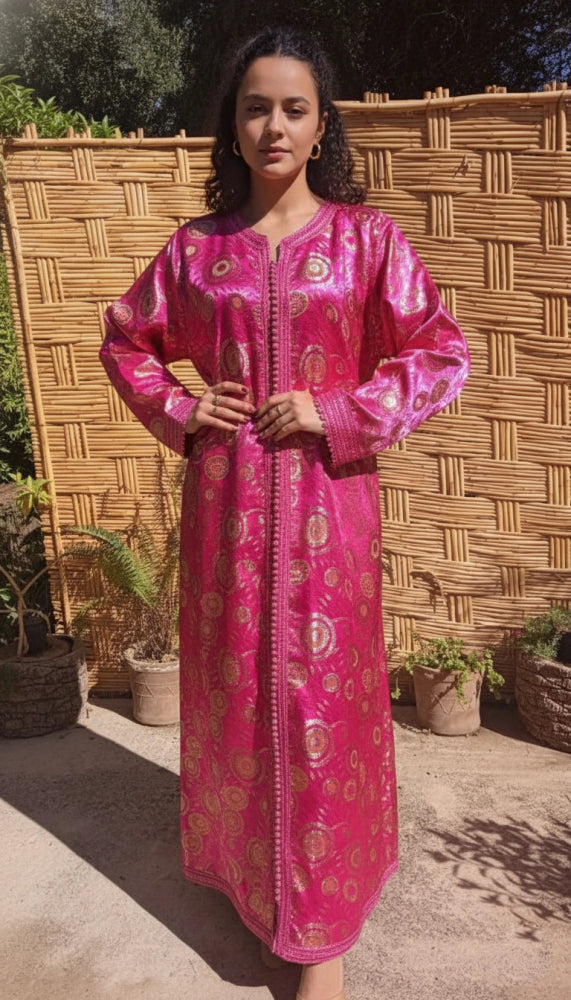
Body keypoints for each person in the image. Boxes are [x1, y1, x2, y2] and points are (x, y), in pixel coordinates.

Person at [99, 26, 470, 1000]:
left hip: (329, 520)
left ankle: (317, 931)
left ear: (319, 125)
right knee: (239, 702)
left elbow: (439, 354)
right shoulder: (197, 252)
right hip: (226, 518)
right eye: (255, 105)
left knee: (319, 707)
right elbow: (125, 342)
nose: (273, 123)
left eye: (293, 107)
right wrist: (183, 406)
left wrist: (336, 406)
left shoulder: (366, 241)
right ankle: (261, 891)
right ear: (232, 121)